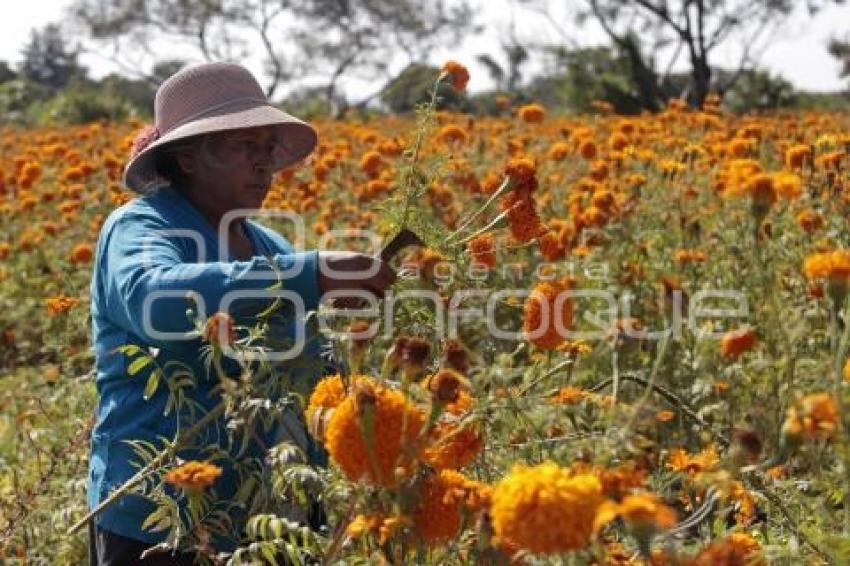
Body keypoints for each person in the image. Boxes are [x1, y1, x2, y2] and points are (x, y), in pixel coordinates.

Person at [86, 62, 396, 564]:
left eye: (268, 147)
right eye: (244, 145)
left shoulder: (265, 242)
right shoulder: (141, 227)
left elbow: (304, 367)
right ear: (187, 157)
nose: (264, 164)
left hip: (268, 520)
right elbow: (155, 301)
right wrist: (306, 275)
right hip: (161, 521)